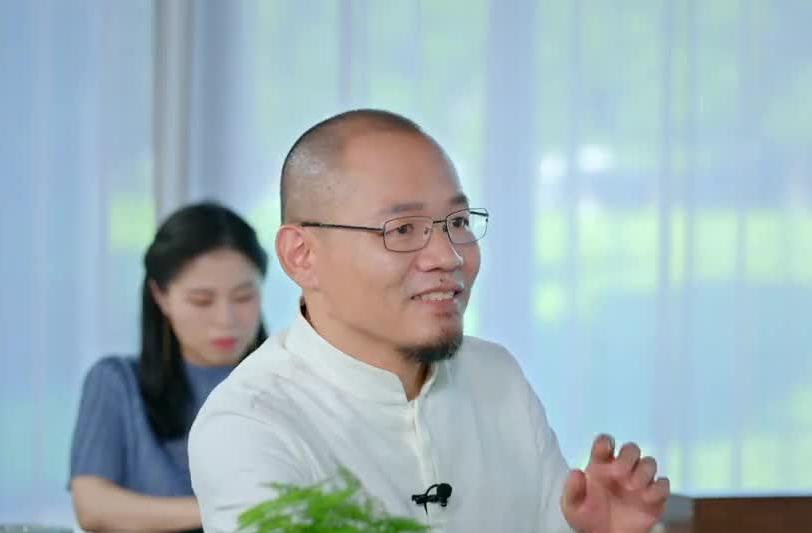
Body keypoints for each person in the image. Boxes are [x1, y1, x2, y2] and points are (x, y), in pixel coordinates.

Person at [189, 110, 670, 532]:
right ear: (303, 255)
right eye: (402, 229)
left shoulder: (496, 377)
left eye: (458, 223)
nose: (448, 256)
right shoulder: (250, 424)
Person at [69, 202, 269, 532]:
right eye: (202, 300)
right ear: (160, 296)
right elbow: (93, 506)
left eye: (244, 297)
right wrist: (230, 510)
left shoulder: (291, 383)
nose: (226, 319)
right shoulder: (118, 382)